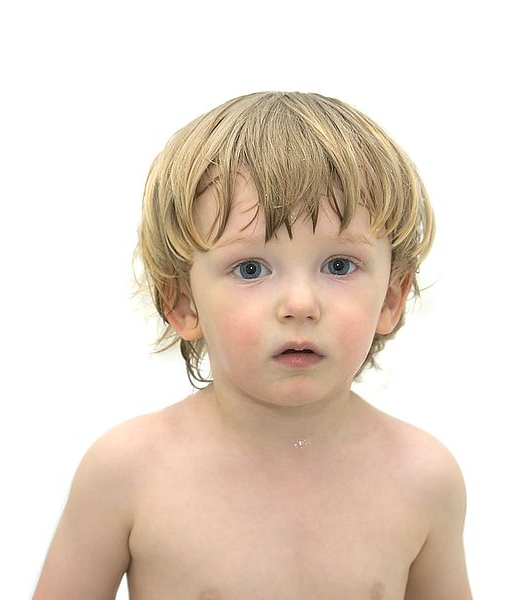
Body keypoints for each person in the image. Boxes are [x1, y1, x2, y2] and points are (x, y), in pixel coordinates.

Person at [33, 91, 472, 599]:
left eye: (339, 266)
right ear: (183, 303)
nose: (301, 304)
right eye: (251, 269)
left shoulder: (423, 478)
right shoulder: (129, 472)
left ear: (392, 297)